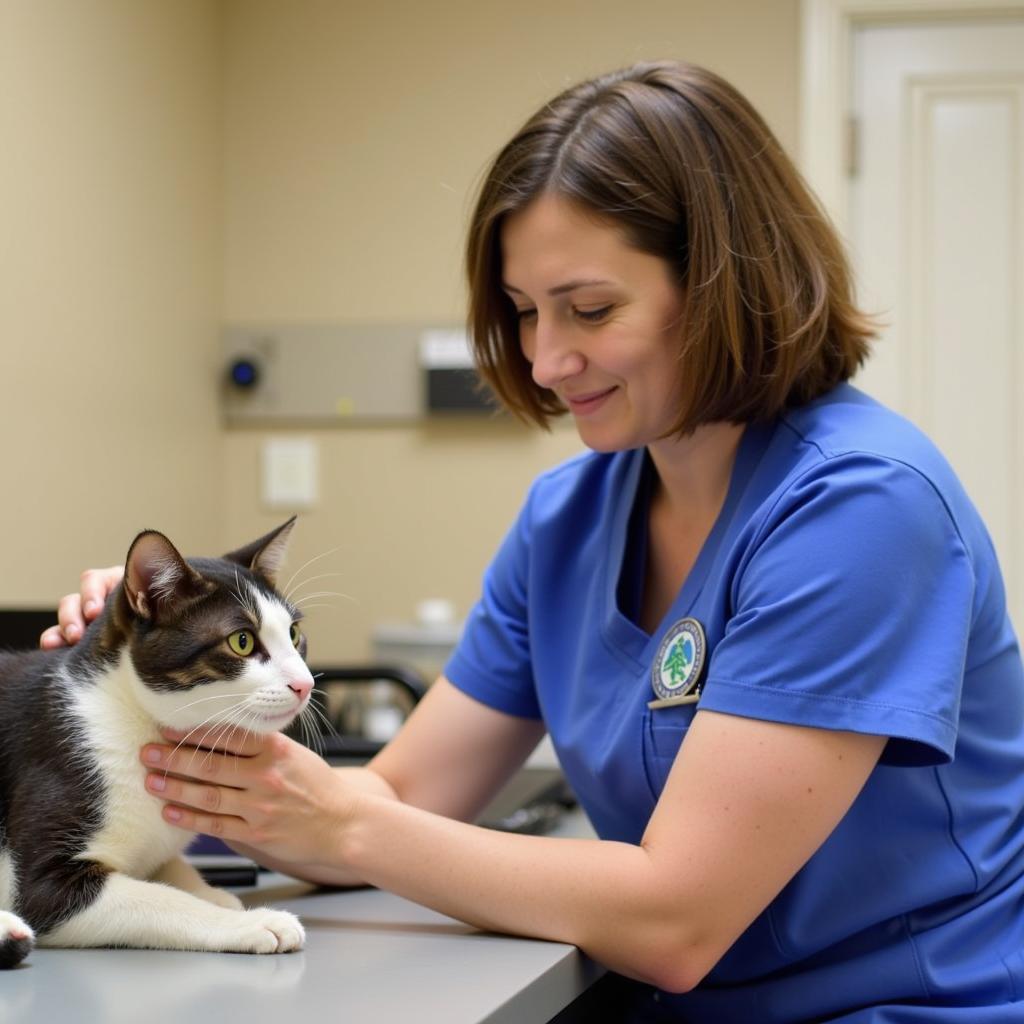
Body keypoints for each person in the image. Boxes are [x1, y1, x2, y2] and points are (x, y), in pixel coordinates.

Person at [44, 61, 1024, 1022]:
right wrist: (144, 698)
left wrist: (351, 821)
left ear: (728, 282)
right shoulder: (569, 517)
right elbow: (389, 800)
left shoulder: (860, 508)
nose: (545, 360)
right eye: (521, 312)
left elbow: (677, 919)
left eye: (589, 309)